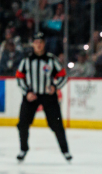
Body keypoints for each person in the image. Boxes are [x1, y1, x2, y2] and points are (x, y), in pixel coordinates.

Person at [15, 32, 71, 162]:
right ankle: (23, 149)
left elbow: (63, 76)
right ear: (33, 44)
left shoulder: (51, 59)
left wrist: (55, 87)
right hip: (31, 96)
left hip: (48, 97)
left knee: (57, 124)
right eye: (36, 42)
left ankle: (65, 151)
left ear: (44, 44)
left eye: (41, 42)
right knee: (22, 123)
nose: (38, 45)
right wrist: (26, 92)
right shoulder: (26, 61)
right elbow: (19, 78)